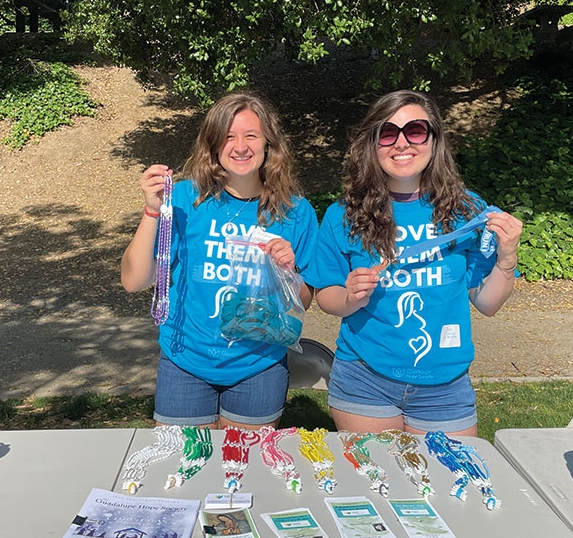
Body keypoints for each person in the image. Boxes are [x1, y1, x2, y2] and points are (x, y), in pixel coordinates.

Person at [311, 89, 523, 437]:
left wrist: (507, 257)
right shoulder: (343, 214)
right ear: (372, 143)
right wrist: (351, 297)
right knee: (375, 489)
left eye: (415, 131)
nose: (402, 143)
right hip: (365, 381)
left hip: (446, 388)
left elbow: (487, 303)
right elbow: (326, 297)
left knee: (450, 489)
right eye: (388, 133)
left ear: (434, 139)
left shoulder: (467, 210)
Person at [121, 91, 317, 430]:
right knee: (181, 471)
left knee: (245, 473)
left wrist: (287, 276)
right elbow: (133, 280)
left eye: (251, 135)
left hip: (258, 366)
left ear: (268, 142)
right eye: (228, 137)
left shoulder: (296, 212)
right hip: (185, 361)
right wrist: (153, 210)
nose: (240, 146)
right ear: (213, 145)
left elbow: (304, 301)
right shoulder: (183, 199)